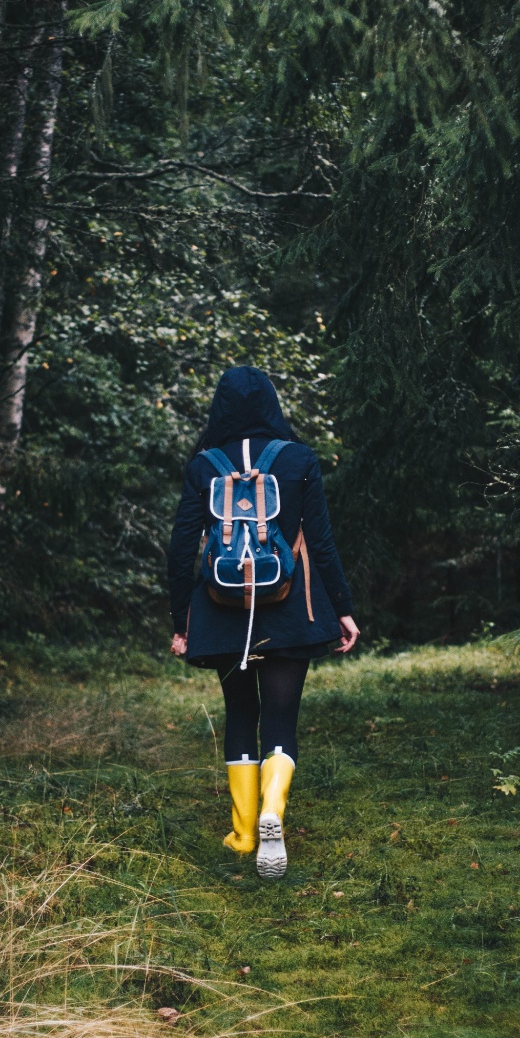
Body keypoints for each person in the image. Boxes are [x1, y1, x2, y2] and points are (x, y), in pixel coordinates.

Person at [168, 366, 359, 878]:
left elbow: (182, 546)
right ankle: (275, 811)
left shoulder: (203, 465)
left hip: (221, 607)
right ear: (272, 405)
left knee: (239, 713)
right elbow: (319, 540)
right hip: (290, 607)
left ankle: (245, 831)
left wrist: (180, 619)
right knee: (280, 717)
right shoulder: (298, 459)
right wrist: (342, 607)